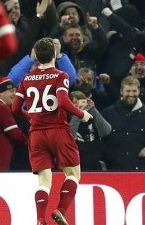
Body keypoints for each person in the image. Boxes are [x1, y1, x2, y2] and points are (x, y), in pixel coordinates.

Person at [12, 37, 93, 225]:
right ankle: (61, 210)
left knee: (44, 181)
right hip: (58, 130)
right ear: (55, 54)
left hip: (36, 134)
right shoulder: (60, 75)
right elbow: (64, 101)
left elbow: (15, 108)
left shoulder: (26, 79)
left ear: (36, 57)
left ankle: (40, 219)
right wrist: (82, 114)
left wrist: (31, 117)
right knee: (73, 174)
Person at [0, 77, 28, 170]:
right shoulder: (2, 107)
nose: (14, 94)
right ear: (1, 93)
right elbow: (15, 134)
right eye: (11, 91)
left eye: (15, 91)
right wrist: (30, 142)